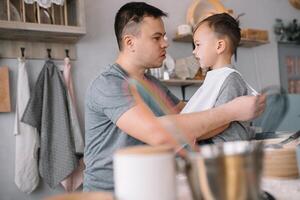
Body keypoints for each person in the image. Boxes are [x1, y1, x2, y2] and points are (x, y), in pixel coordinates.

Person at [83, 2, 265, 192]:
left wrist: (226, 99)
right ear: (130, 42)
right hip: (110, 193)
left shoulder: (151, 83)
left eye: (164, 36)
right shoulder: (108, 84)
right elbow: (158, 134)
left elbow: (187, 111)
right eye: (156, 37)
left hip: (149, 188)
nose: (165, 43)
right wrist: (232, 111)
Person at [181, 13, 258, 143]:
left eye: (198, 45)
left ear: (219, 46)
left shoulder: (230, 78)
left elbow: (222, 122)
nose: (194, 51)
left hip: (223, 149)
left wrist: (192, 135)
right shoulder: (215, 78)